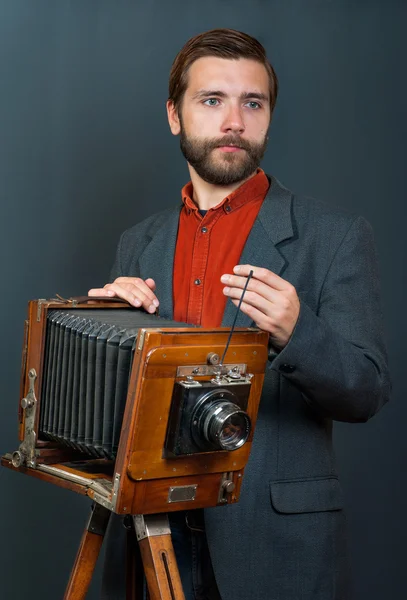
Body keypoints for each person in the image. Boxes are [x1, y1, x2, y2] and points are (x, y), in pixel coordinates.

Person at [89, 28, 390, 600]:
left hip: (274, 547)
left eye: (253, 102)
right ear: (174, 116)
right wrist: (108, 337)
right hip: (152, 538)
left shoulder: (336, 237)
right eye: (212, 100)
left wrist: (299, 333)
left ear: (269, 116)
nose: (234, 121)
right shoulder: (138, 243)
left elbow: (367, 391)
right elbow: (117, 419)